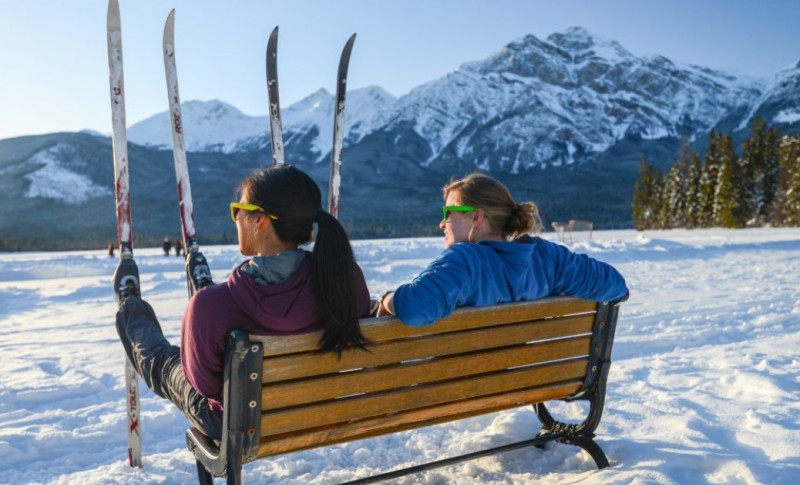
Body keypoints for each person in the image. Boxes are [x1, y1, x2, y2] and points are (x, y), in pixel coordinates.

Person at [113, 164, 371, 440]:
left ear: (259, 220)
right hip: (317, 411)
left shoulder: (210, 307)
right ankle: (198, 287)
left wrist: (208, 305)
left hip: (240, 427)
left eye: (238, 209)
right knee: (212, 315)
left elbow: (204, 386)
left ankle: (131, 308)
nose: (235, 217)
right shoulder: (345, 282)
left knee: (164, 362)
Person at [375, 172, 628, 326]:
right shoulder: (546, 258)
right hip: (528, 377)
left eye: (448, 212)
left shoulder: (464, 262)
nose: (442, 223)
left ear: (476, 217)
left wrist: (388, 299)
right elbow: (615, 285)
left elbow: (416, 307)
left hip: (460, 386)